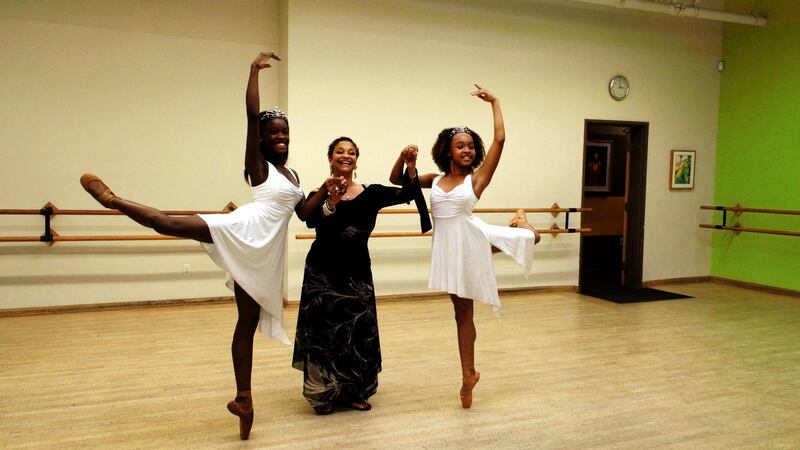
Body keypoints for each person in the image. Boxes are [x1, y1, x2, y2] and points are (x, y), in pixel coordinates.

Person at [80, 51, 340, 440]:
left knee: (246, 324)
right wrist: (253, 71)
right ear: (263, 139)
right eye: (275, 133)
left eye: (286, 132)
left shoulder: (291, 172)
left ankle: (244, 400)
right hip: (244, 229)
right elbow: (251, 117)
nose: (281, 137)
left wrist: (325, 190)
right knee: (168, 223)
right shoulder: (258, 164)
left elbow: (302, 213)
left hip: (266, 252)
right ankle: (113, 199)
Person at [389, 84, 541, 409]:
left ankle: (521, 224)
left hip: (470, 238)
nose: (467, 151)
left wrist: (495, 102)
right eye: (460, 146)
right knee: (461, 312)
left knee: (531, 238)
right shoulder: (434, 179)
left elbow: (500, 139)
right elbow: (397, 181)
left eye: (471, 146)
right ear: (447, 150)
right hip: (449, 248)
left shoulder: (477, 179)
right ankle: (468, 374)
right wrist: (404, 158)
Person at [291, 136, 426, 415]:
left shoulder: (372, 192)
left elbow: (409, 194)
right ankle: (324, 393)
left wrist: (407, 163)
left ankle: (352, 391)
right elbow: (311, 220)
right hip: (323, 274)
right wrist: (331, 200)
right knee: (323, 333)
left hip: (357, 274)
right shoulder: (321, 191)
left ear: (356, 160)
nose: (346, 156)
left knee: (356, 333)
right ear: (330, 158)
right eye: (340, 151)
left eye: (351, 152)